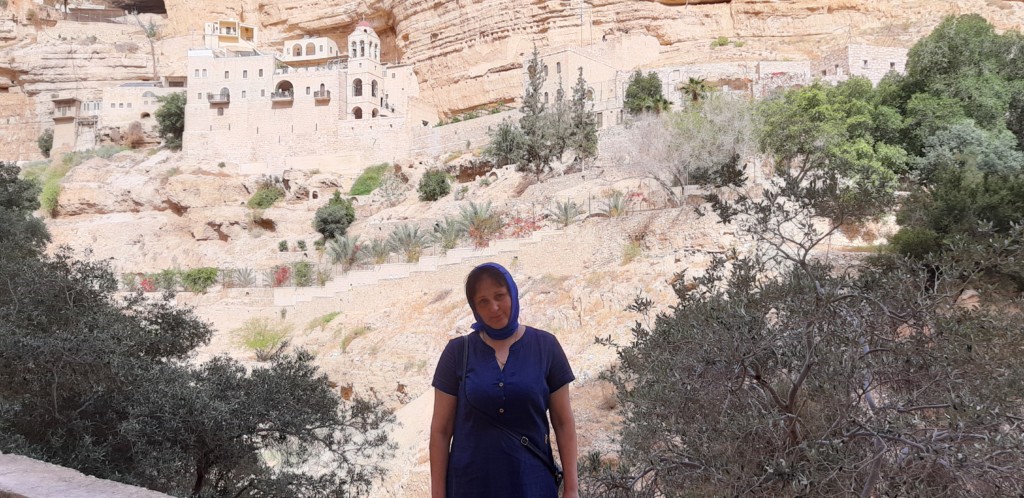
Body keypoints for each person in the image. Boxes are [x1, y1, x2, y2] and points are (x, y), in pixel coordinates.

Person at [430, 262, 579, 498]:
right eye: (483, 301)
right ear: (474, 307)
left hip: (532, 485)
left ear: (512, 293)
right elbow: (441, 430)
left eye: (500, 296)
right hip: (470, 486)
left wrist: (572, 489)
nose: (494, 307)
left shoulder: (546, 347)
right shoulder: (457, 352)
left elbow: (563, 422)